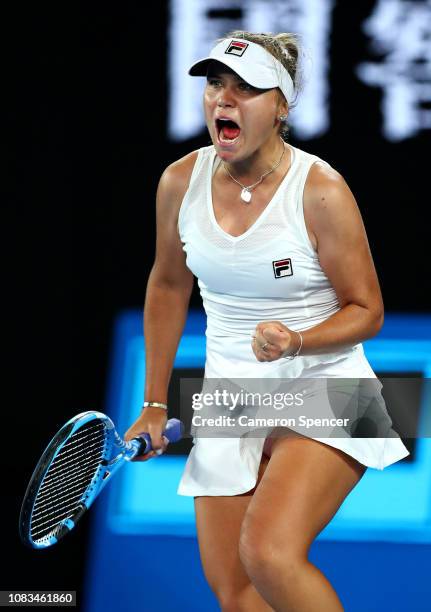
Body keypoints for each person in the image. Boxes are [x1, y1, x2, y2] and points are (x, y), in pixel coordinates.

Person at [124, 31, 410, 612]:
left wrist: (297, 340)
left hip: (329, 387)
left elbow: (368, 310)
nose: (224, 100)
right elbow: (169, 285)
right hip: (230, 394)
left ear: (281, 106)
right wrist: (155, 402)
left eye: (246, 89)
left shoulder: (321, 190)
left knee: (270, 553)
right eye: (215, 85)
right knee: (235, 592)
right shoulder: (180, 182)